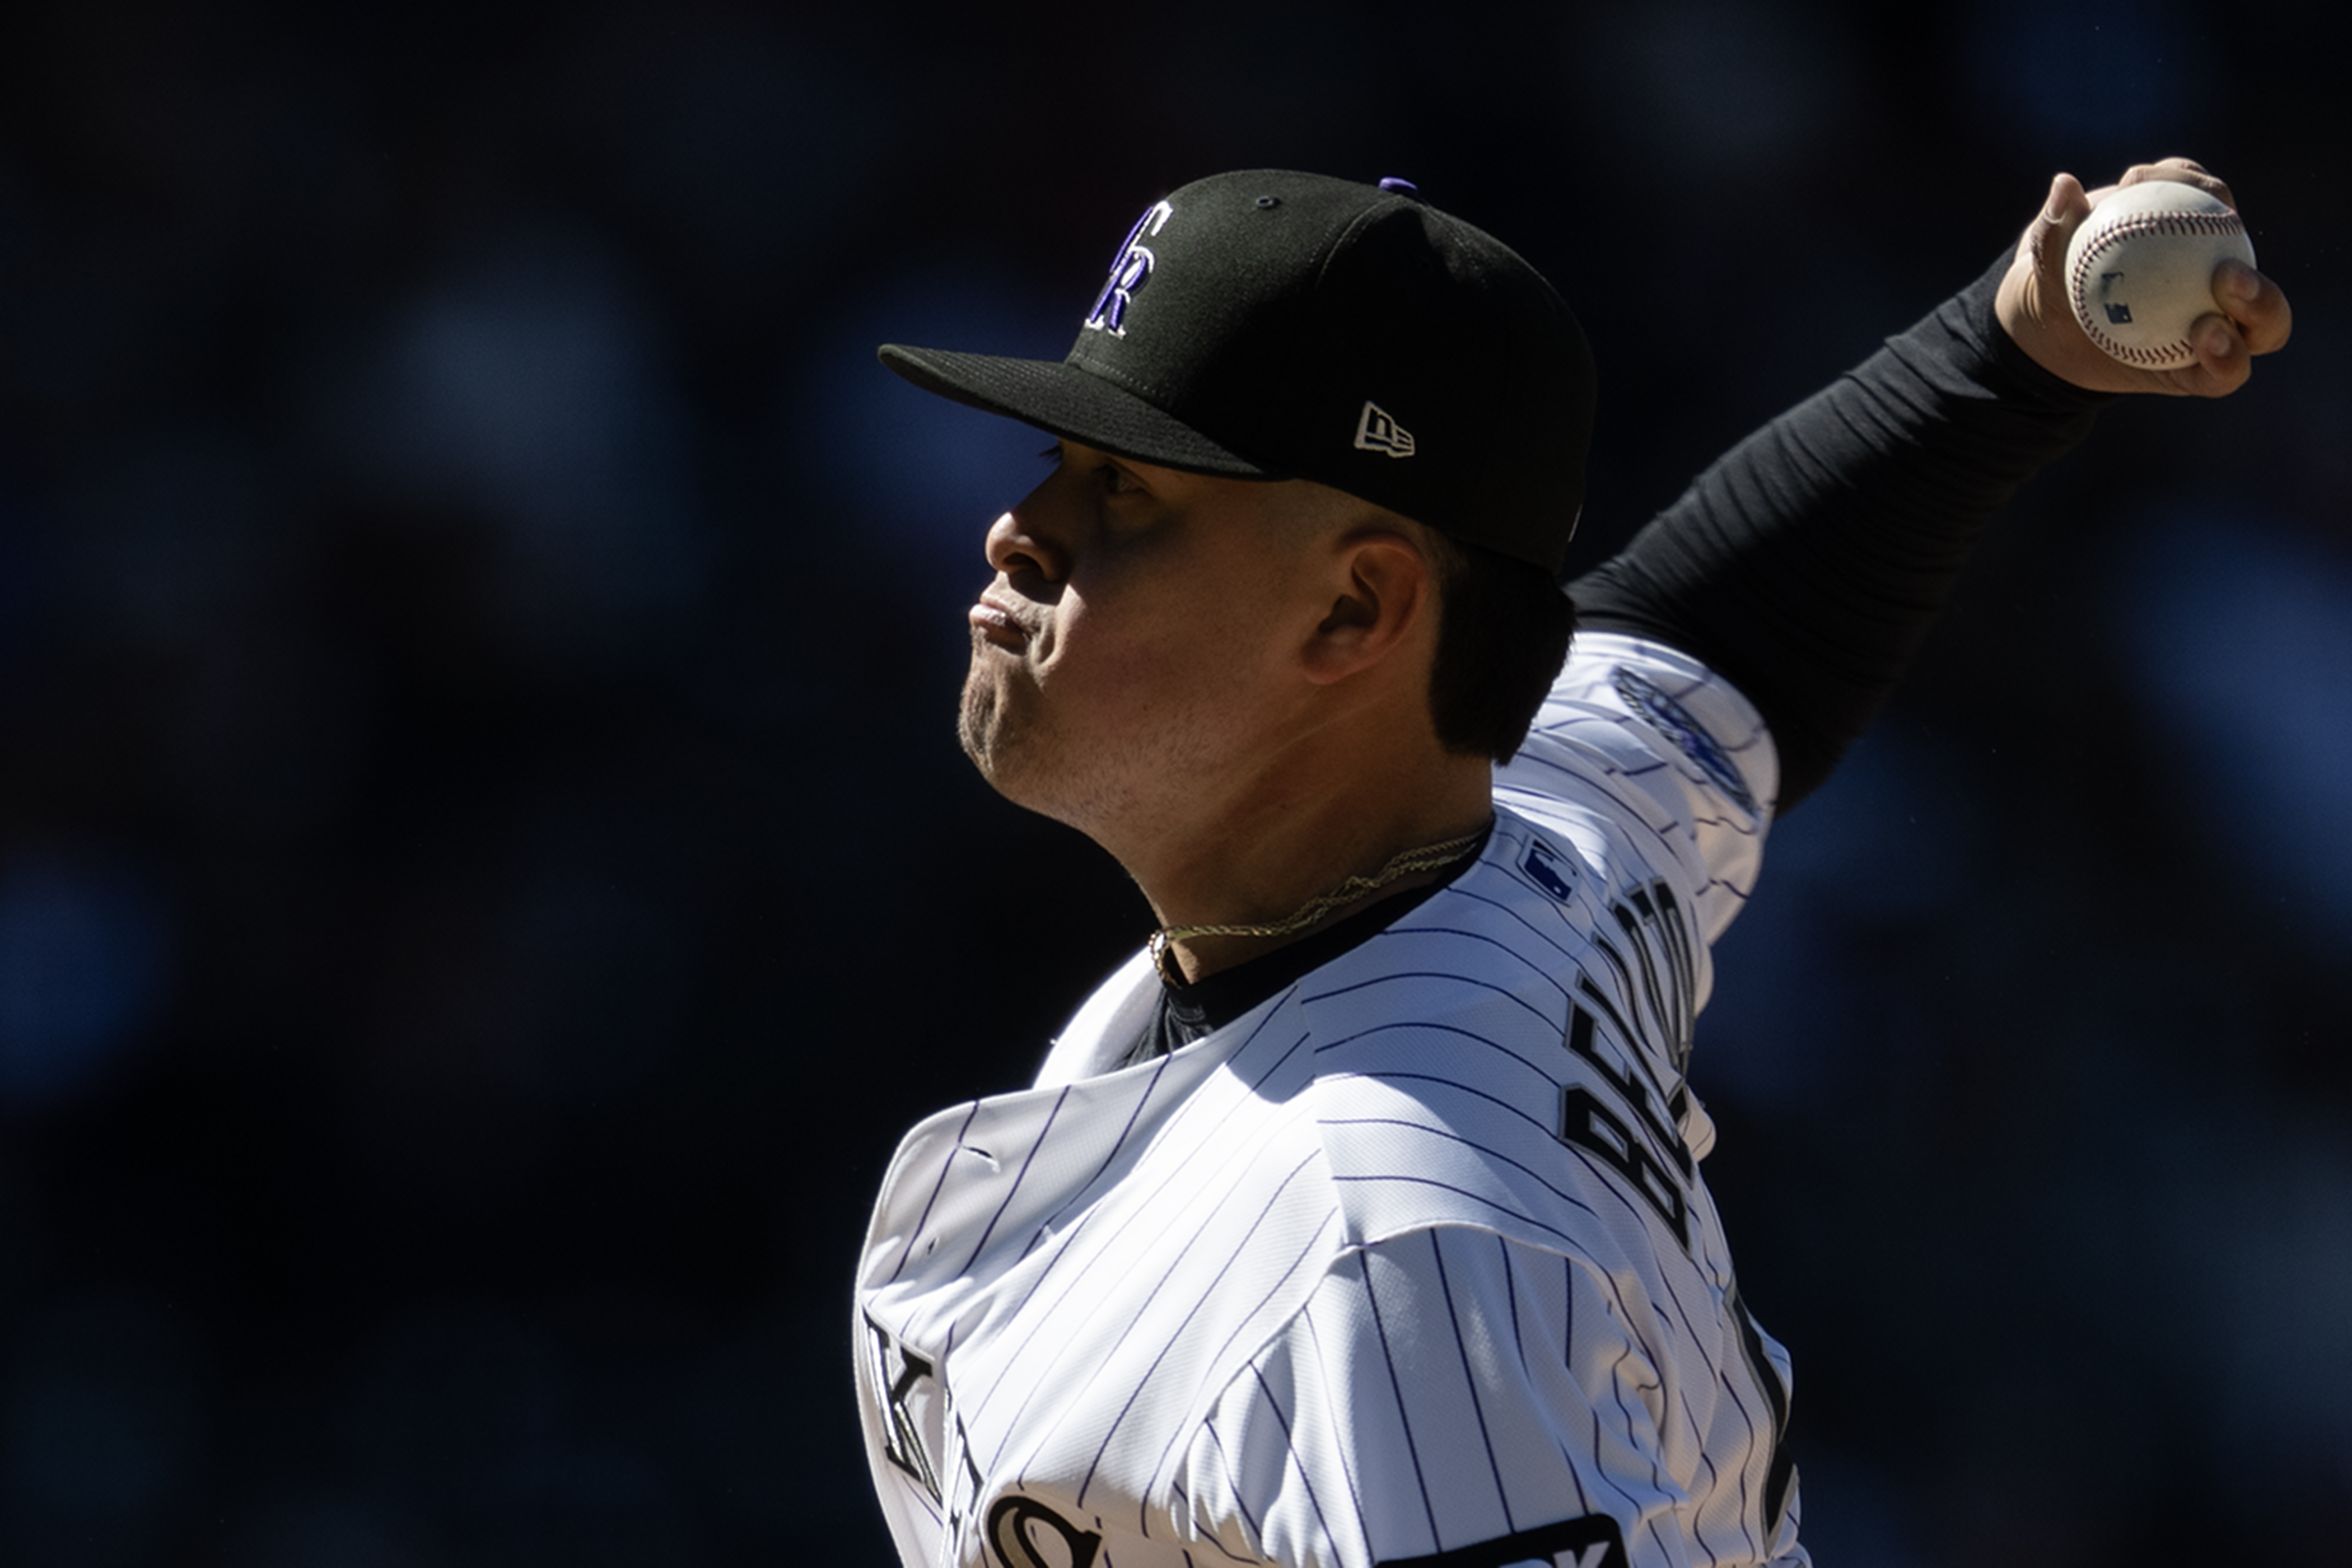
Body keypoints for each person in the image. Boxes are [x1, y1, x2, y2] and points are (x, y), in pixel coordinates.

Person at [852, 162, 2291, 1568]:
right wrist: (2013, 349)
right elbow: (1738, 626)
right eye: (1060, 463)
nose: (1020, 527)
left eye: (1124, 492)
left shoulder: (1384, 1257)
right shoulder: (1532, 841)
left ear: (1359, 610)